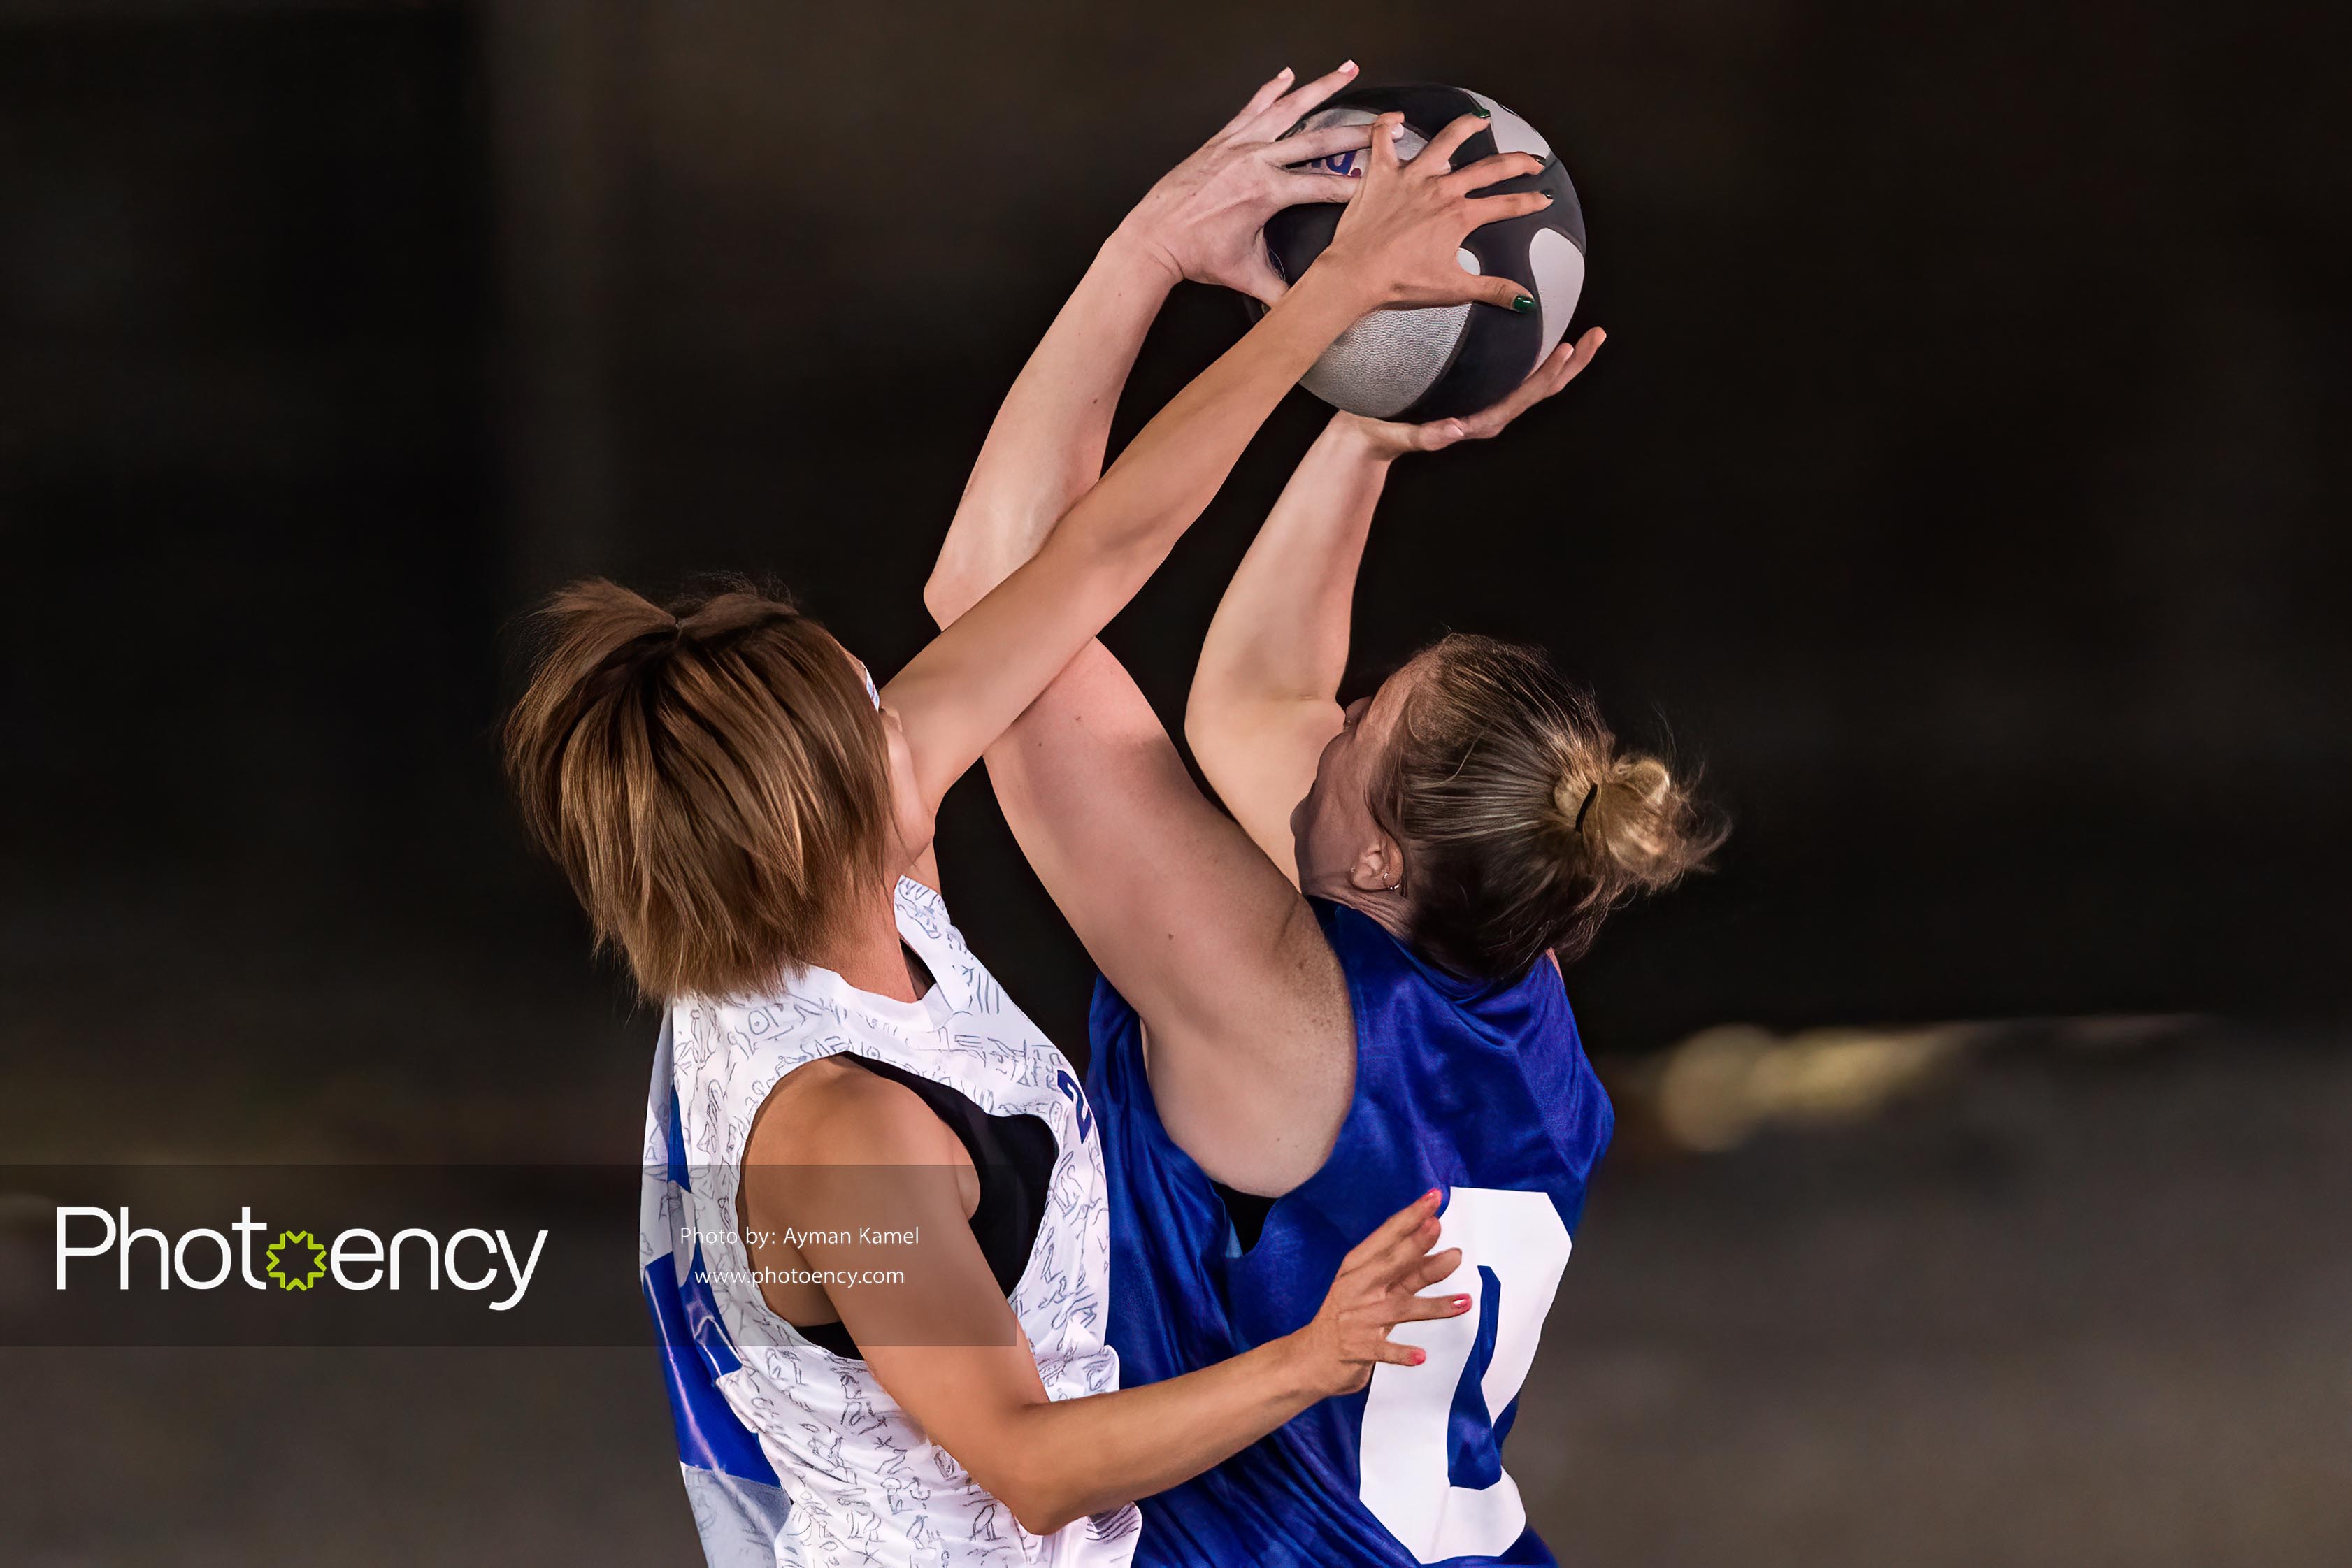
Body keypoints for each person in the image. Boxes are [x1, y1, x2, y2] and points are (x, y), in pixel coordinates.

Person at [505, 66, 1557, 1568]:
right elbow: (1026, 1468)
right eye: (864, 711)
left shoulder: (869, 833)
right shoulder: (841, 1137)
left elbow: (1088, 559)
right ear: (824, 814)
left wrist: (1178, 255)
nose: (906, 705)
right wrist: (1311, 1359)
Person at [924, 95, 1724, 1568]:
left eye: (1355, 732)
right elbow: (1260, 697)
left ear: (1376, 866)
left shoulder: (1273, 1006)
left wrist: (1150, 249)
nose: (1331, 705)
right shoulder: (1510, 972)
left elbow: (987, 600)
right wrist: (1373, 426)